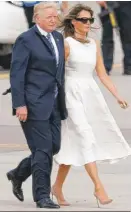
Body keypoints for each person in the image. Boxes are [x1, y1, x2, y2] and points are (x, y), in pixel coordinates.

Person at [51, 4, 131, 207]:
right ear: (73, 22)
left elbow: (102, 73)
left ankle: (57, 187)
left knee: (74, 143)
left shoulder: (94, 44)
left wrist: (117, 95)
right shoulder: (66, 43)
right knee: (85, 136)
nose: (88, 23)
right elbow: (56, 74)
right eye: (84, 20)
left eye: (90, 20)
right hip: (71, 95)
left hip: (90, 94)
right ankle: (98, 187)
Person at [7, 2, 67, 209]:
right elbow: (17, 75)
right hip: (33, 104)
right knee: (42, 150)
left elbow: (59, 72)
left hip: (54, 103)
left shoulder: (58, 37)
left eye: (55, 16)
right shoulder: (26, 39)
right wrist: (20, 104)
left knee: (54, 147)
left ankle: (18, 173)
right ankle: (42, 196)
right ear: (37, 18)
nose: (53, 19)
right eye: (49, 16)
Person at [98, 1, 131, 75]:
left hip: (127, 4)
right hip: (107, 3)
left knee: (128, 35)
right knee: (107, 36)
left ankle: (129, 67)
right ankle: (106, 67)